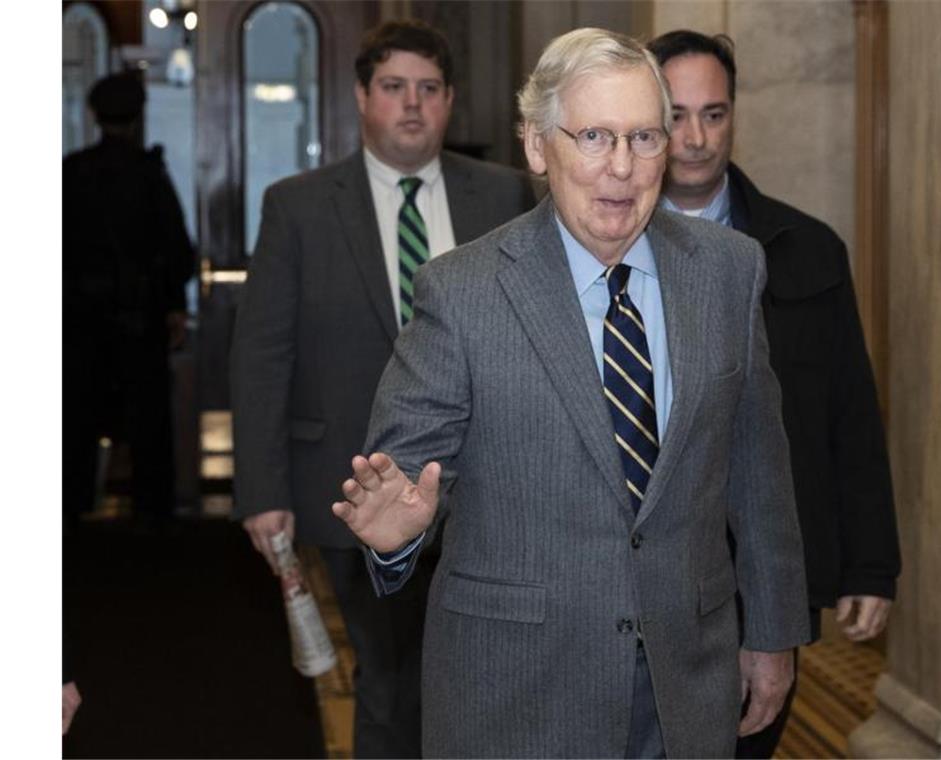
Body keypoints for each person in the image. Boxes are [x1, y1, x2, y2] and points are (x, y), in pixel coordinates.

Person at [331, 28, 810, 758]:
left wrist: (774, 637)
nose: (621, 167)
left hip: (687, 684)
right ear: (536, 147)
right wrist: (398, 537)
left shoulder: (729, 272)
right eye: (594, 136)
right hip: (518, 692)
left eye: (645, 137)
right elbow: (403, 481)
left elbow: (758, 470)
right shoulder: (463, 292)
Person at [229, 19, 536, 759]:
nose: (411, 105)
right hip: (349, 482)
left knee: (487, 679)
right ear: (362, 97)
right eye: (394, 88)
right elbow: (263, 352)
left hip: (486, 486)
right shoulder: (298, 204)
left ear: (450, 101)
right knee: (390, 682)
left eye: (428, 90)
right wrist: (261, 489)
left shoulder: (506, 195)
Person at [647, 30, 903, 758]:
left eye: (715, 114)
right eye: (675, 114)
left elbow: (849, 415)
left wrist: (869, 564)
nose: (695, 139)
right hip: (645, 565)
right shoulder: (605, 241)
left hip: (767, 565)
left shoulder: (807, 248)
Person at [62, 72, 196, 529]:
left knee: (75, 419)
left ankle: (71, 506)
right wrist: (174, 304)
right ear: (137, 116)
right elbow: (174, 246)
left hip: (79, 320)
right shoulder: (147, 173)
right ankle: (153, 513)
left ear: (95, 117)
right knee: (148, 423)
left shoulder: (71, 172)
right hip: (140, 317)